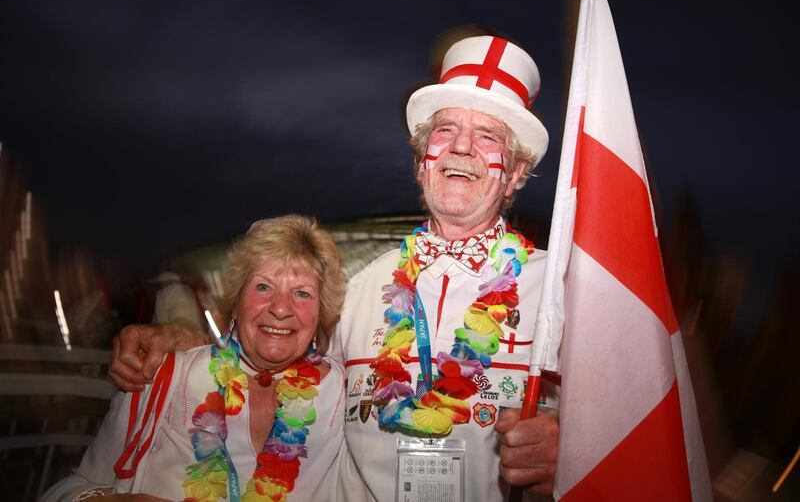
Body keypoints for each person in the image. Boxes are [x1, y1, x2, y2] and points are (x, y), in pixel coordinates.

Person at [109, 34, 559, 501]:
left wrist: (572, 453)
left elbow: (628, 429)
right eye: (445, 130)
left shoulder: (561, 292)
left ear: (514, 173)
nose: (460, 147)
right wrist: (181, 341)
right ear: (422, 162)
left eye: (487, 135)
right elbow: (275, 355)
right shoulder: (360, 288)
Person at [43, 215, 347, 501]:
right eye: (263, 286)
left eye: (302, 293)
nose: (280, 309)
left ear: (321, 311)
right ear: (237, 299)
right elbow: (65, 489)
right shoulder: (165, 375)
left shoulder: (342, 397)